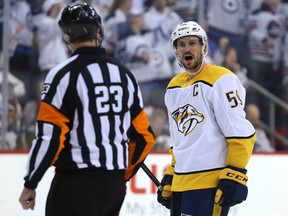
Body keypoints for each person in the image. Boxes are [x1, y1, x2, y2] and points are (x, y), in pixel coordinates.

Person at [18, 3, 155, 216]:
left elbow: (50, 137)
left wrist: (31, 182)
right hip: (112, 185)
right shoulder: (125, 75)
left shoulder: (62, 74)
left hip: (74, 182)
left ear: (65, 36)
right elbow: (145, 137)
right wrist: (121, 175)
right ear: (98, 31)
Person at [156, 21, 256, 216]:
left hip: (210, 183)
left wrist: (235, 173)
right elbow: (179, 140)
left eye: (192, 43)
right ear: (175, 51)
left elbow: (240, 132)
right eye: (181, 44)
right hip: (180, 184)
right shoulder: (173, 86)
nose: (187, 48)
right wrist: (172, 172)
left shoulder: (221, 79)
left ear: (204, 47)